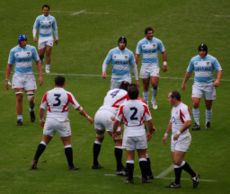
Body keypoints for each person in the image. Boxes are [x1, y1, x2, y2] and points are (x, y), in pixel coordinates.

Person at [31, 76, 93, 170]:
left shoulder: (48, 93)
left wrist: (41, 120)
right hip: (62, 121)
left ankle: (34, 161)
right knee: (67, 142)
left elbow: (41, 108)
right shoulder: (67, 94)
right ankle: (71, 165)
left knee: (44, 141)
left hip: (50, 120)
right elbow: (78, 108)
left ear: (54, 83)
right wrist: (87, 117)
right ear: (64, 83)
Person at [113, 84, 156, 184]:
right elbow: (149, 121)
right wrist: (150, 131)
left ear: (128, 94)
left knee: (130, 156)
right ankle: (144, 178)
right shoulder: (143, 105)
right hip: (140, 131)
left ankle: (130, 178)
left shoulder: (123, 105)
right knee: (142, 155)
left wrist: (114, 132)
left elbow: (116, 122)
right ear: (137, 94)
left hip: (128, 132)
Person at [162, 91, 200, 189]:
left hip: (183, 138)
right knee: (175, 161)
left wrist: (178, 133)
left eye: (169, 97)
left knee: (177, 160)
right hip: (174, 137)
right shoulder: (173, 108)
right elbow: (171, 122)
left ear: (174, 98)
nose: (168, 99)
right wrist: (166, 134)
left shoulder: (183, 108)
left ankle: (194, 175)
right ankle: (177, 183)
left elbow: (188, 122)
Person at [181, 43, 222, 130]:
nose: (202, 52)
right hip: (197, 85)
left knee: (208, 105)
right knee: (195, 103)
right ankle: (197, 124)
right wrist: (184, 82)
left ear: (206, 51)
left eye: (203, 50)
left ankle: (207, 122)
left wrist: (218, 80)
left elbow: (219, 70)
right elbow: (189, 72)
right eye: (200, 50)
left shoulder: (212, 59)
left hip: (209, 85)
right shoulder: (193, 60)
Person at [5, 34, 43, 126]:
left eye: (26, 40)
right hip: (18, 76)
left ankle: (31, 109)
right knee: (19, 97)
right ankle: (19, 118)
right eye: (23, 41)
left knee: (31, 98)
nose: (25, 42)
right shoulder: (13, 51)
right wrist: (7, 79)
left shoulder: (32, 49)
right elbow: (9, 65)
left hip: (29, 76)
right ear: (19, 42)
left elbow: (38, 62)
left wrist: (40, 76)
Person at [92, 81, 129, 175]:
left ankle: (95, 163)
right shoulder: (126, 94)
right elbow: (125, 108)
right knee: (118, 142)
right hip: (110, 116)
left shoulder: (111, 91)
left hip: (99, 113)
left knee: (99, 138)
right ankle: (119, 168)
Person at [135, 26, 168, 109]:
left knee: (154, 83)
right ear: (146, 34)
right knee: (145, 86)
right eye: (149, 33)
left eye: (152, 33)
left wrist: (164, 63)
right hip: (144, 66)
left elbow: (163, 52)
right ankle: (146, 102)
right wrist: (135, 66)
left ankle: (153, 99)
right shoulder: (141, 43)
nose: (151, 34)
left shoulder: (158, 42)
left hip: (154, 66)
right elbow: (137, 55)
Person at [33, 4, 58, 73]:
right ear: (42, 10)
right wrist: (34, 36)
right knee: (40, 54)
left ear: (49, 10)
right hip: (41, 37)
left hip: (49, 37)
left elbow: (55, 28)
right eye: (44, 10)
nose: (45, 11)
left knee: (48, 51)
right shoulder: (39, 18)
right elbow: (35, 27)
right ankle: (41, 61)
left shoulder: (52, 18)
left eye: (47, 10)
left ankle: (47, 68)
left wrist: (56, 37)